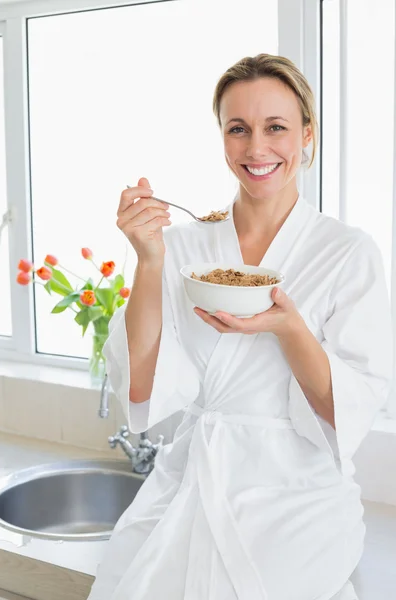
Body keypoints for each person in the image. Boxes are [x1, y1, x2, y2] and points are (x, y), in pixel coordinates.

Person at [87, 53, 393, 600]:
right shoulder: (183, 246)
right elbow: (141, 387)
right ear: (222, 137)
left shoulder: (348, 253)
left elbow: (346, 412)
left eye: (276, 127)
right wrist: (150, 263)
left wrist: (290, 329)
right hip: (192, 477)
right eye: (238, 129)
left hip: (297, 494)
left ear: (307, 135)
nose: (256, 149)